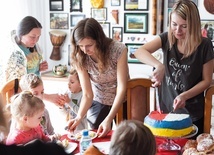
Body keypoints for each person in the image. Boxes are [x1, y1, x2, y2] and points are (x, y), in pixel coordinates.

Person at [134, 0, 214, 137]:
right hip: (167, 113)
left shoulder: (204, 45)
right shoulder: (167, 38)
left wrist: (185, 95)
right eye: (174, 24)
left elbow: (207, 81)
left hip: (192, 114)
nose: (178, 30)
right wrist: (158, 66)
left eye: (184, 26)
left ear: (193, 25)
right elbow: (139, 51)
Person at [67, 18, 129, 137]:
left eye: (89, 45)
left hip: (123, 98)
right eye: (81, 46)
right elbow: (87, 94)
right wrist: (79, 117)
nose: (85, 50)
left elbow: (121, 88)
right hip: (99, 97)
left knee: (125, 137)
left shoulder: (117, 49)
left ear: (99, 40)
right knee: (96, 134)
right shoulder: (79, 56)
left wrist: (109, 118)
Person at [4, 16, 66, 107]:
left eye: (38, 37)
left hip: (36, 94)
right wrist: (47, 97)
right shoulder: (14, 56)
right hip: (25, 100)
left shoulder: (33, 46)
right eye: (33, 37)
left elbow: (28, 71)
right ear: (21, 34)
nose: (36, 40)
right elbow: (20, 85)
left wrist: (38, 67)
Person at [0, 95, 70, 155]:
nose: (41, 119)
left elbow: (44, 139)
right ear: (25, 119)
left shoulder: (37, 127)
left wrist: (51, 137)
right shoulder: (14, 139)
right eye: (39, 117)